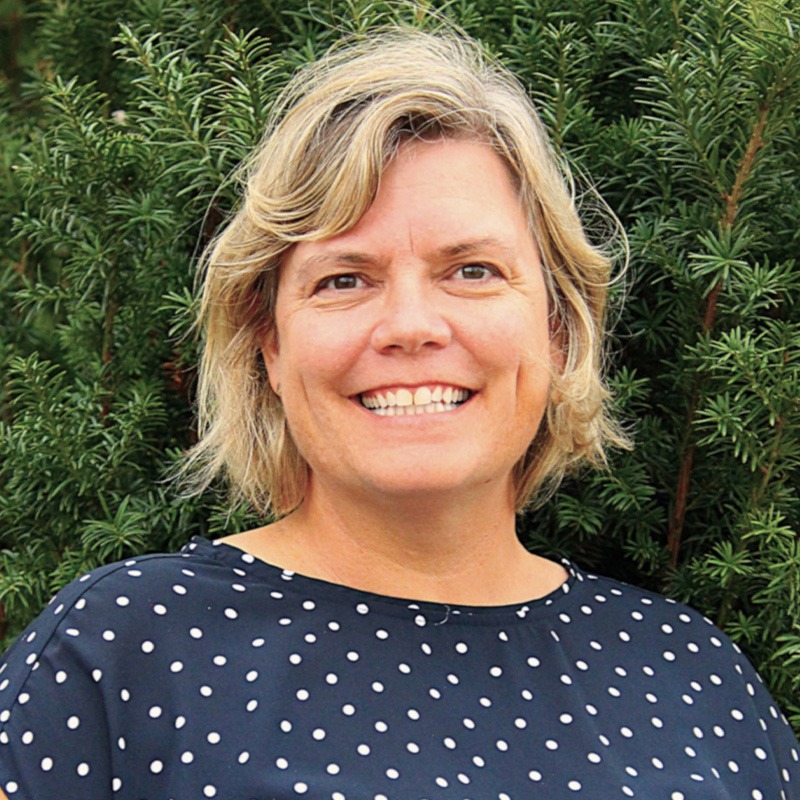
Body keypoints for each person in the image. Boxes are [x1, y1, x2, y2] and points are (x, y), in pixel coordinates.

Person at [1, 26, 798, 800]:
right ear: (268, 344)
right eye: (344, 279)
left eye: (473, 270)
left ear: (556, 328)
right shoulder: (120, 654)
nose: (411, 326)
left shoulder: (692, 674)